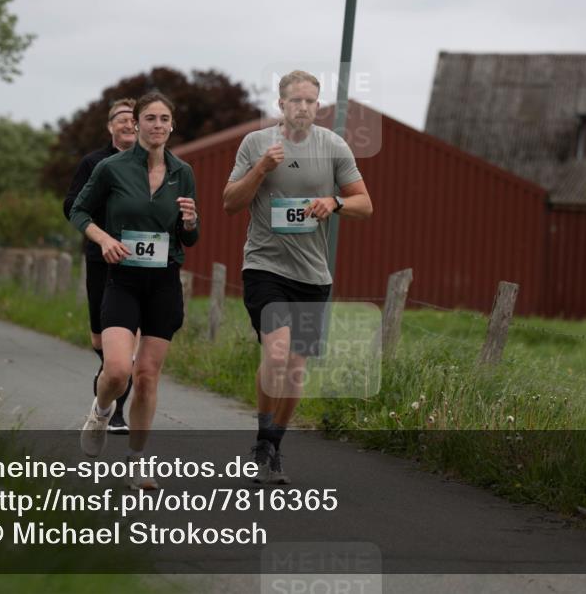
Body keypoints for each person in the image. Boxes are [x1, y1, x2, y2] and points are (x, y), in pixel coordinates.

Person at [223, 70, 373, 484]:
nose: (303, 107)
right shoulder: (256, 144)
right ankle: (261, 439)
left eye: (311, 101)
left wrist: (334, 201)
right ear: (281, 105)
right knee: (276, 353)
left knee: (296, 368)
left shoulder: (333, 146)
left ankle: (273, 444)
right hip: (264, 267)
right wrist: (259, 171)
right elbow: (229, 203)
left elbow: (365, 204)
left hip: (312, 275)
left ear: (317, 106)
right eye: (296, 101)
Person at [70, 92, 199, 488]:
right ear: (137, 123)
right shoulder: (111, 168)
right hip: (122, 279)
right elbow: (79, 210)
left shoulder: (184, 171)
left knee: (146, 376)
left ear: (172, 126)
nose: (157, 125)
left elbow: (189, 240)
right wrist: (103, 239)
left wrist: (191, 223)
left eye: (164, 119)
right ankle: (102, 410)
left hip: (163, 282)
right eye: (149, 118)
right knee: (117, 371)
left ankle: (137, 460)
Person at [63, 98, 138, 434]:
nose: (128, 124)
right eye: (121, 119)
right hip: (101, 258)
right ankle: (110, 373)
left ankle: (117, 411)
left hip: (140, 261)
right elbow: (71, 206)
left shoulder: (153, 162)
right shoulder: (93, 162)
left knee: (128, 340)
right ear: (110, 126)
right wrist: (100, 236)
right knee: (100, 336)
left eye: (133, 119)